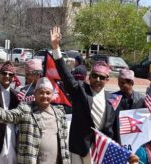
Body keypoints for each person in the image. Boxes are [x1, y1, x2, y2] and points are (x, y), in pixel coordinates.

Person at [50, 26, 120, 164]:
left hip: (103, 151)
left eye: (102, 77)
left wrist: (119, 151)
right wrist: (55, 48)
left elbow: (115, 130)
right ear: (89, 76)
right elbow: (65, 75)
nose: (97, 80)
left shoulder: (113, 99)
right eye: (95, 76)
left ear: (107, 80)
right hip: (80, 150)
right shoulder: (80, 90)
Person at [0, 77, 70, 164]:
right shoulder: (26, 109)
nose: (45, 96)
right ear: (35, 94)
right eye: (41, 93)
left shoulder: (59, 113)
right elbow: (9, 116)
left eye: (48, 93)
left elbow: (64, 144)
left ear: (52, 95)